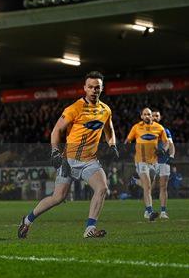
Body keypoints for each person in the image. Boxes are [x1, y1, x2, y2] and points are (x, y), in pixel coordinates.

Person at [18, 71, 119, 239]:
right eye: (91, 87)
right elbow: (56, 130)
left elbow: (109, 129)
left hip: (90, 161)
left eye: (98, 87)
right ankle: (27, 220)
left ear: (102, 89)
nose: (94, 90)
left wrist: (112, 144)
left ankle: (90, 229)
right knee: (58, 197)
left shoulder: (105, 110)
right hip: (70, 161)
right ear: (85, 88)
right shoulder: (74, 108)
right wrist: (55, 152)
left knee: (102, 188)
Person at [125, 107, 169, 221]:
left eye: (149, 114)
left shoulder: (159, 128)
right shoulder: (136, 127)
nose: (147, 116)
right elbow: (128, 140)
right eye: (145, 114)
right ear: (141, 116)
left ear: (151, 116)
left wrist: (164, 149)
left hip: (154, 162)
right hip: (141, 160)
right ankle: (150, 212)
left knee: (150, 186)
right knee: (148, 186)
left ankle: (134, 181)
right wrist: (128, 147)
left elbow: (166, 142)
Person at [151, 110, 175, 219]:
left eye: (157, 116)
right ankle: (149, 210)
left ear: (160, 117)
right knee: (150, 186)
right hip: (150, 162)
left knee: (163, 187)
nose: (155, 117)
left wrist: (171, 156)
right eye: (153, 115)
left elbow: (170, 144)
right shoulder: (146, 130)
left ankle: (163, 212)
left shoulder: (165, 131)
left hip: (163, 161)